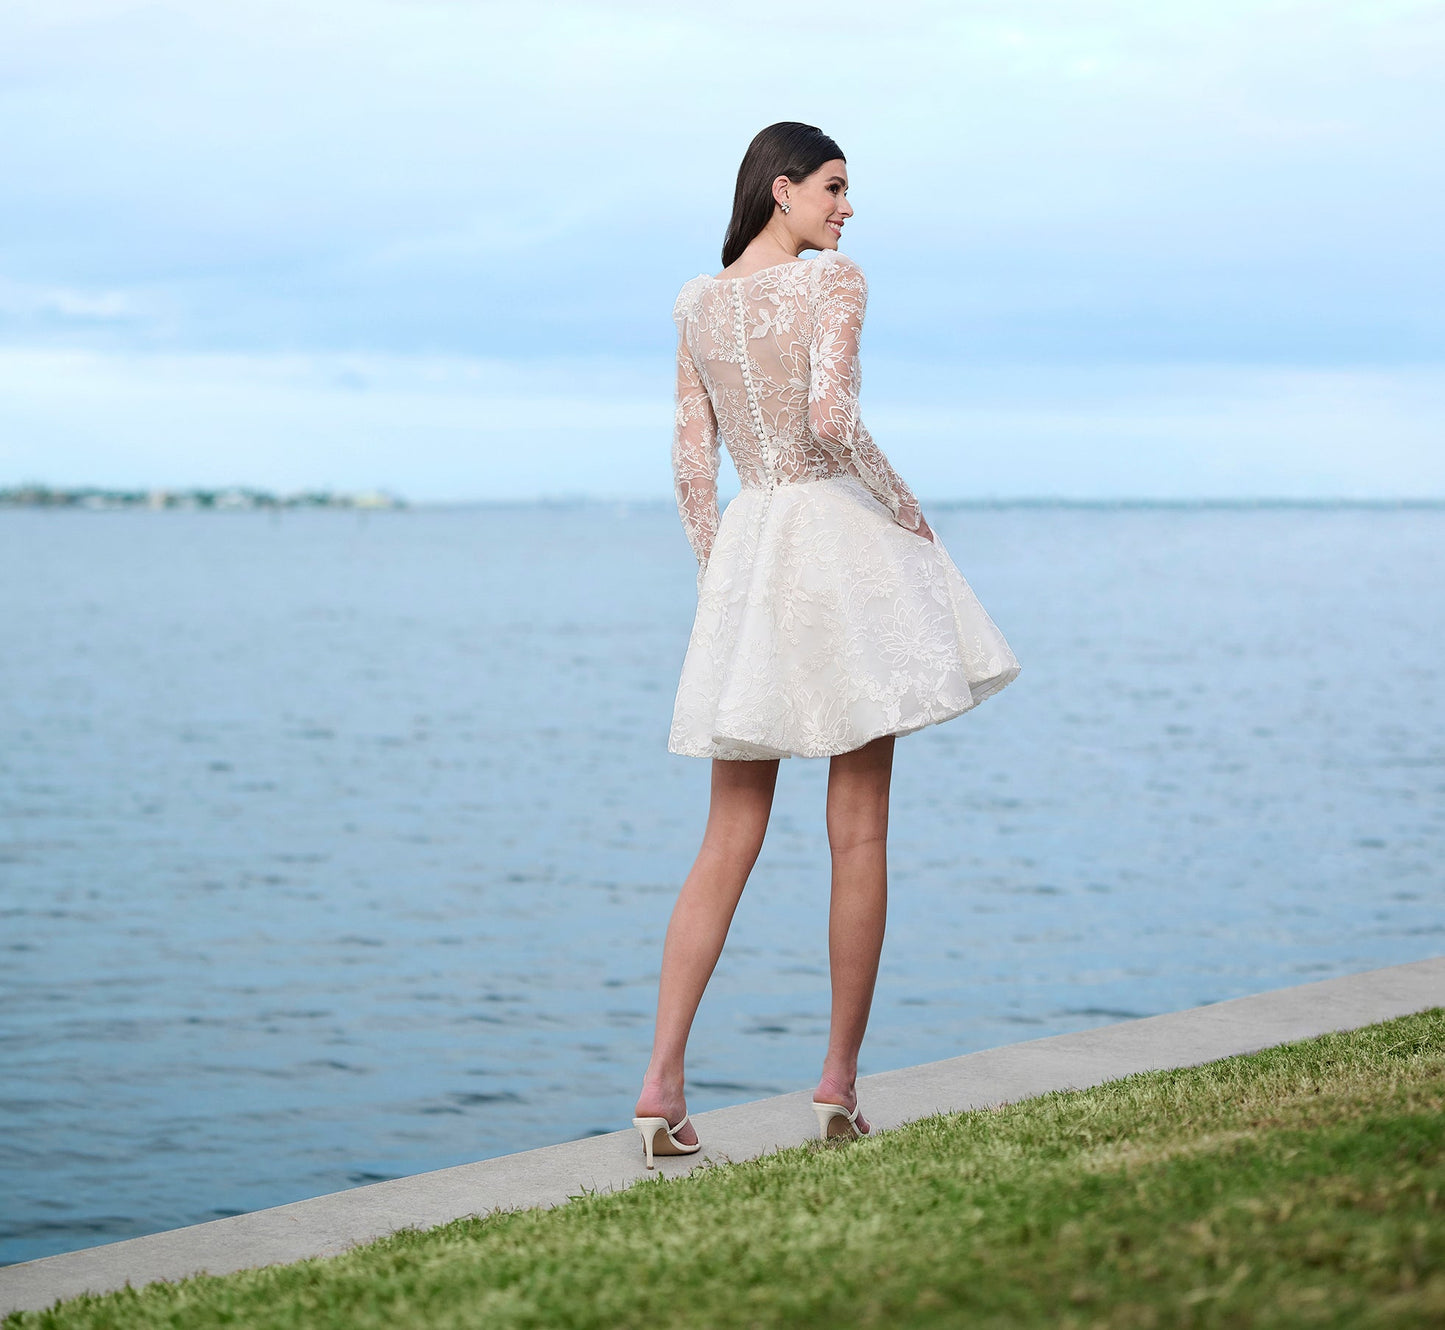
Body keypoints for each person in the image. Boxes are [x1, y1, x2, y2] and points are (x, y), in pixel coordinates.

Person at [632, 122, 1020, 1170]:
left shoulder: (695, 304)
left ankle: (660, 1084)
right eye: (835, 188)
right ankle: (836, 1090)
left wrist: (723, 584)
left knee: (727, 835)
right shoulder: (833, 284)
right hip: (837, 538)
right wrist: (906, 509)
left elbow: (686, 464)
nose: (846, 210)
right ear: (782, 188)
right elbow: (830, 414)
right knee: (857, 828)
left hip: (754, 542)